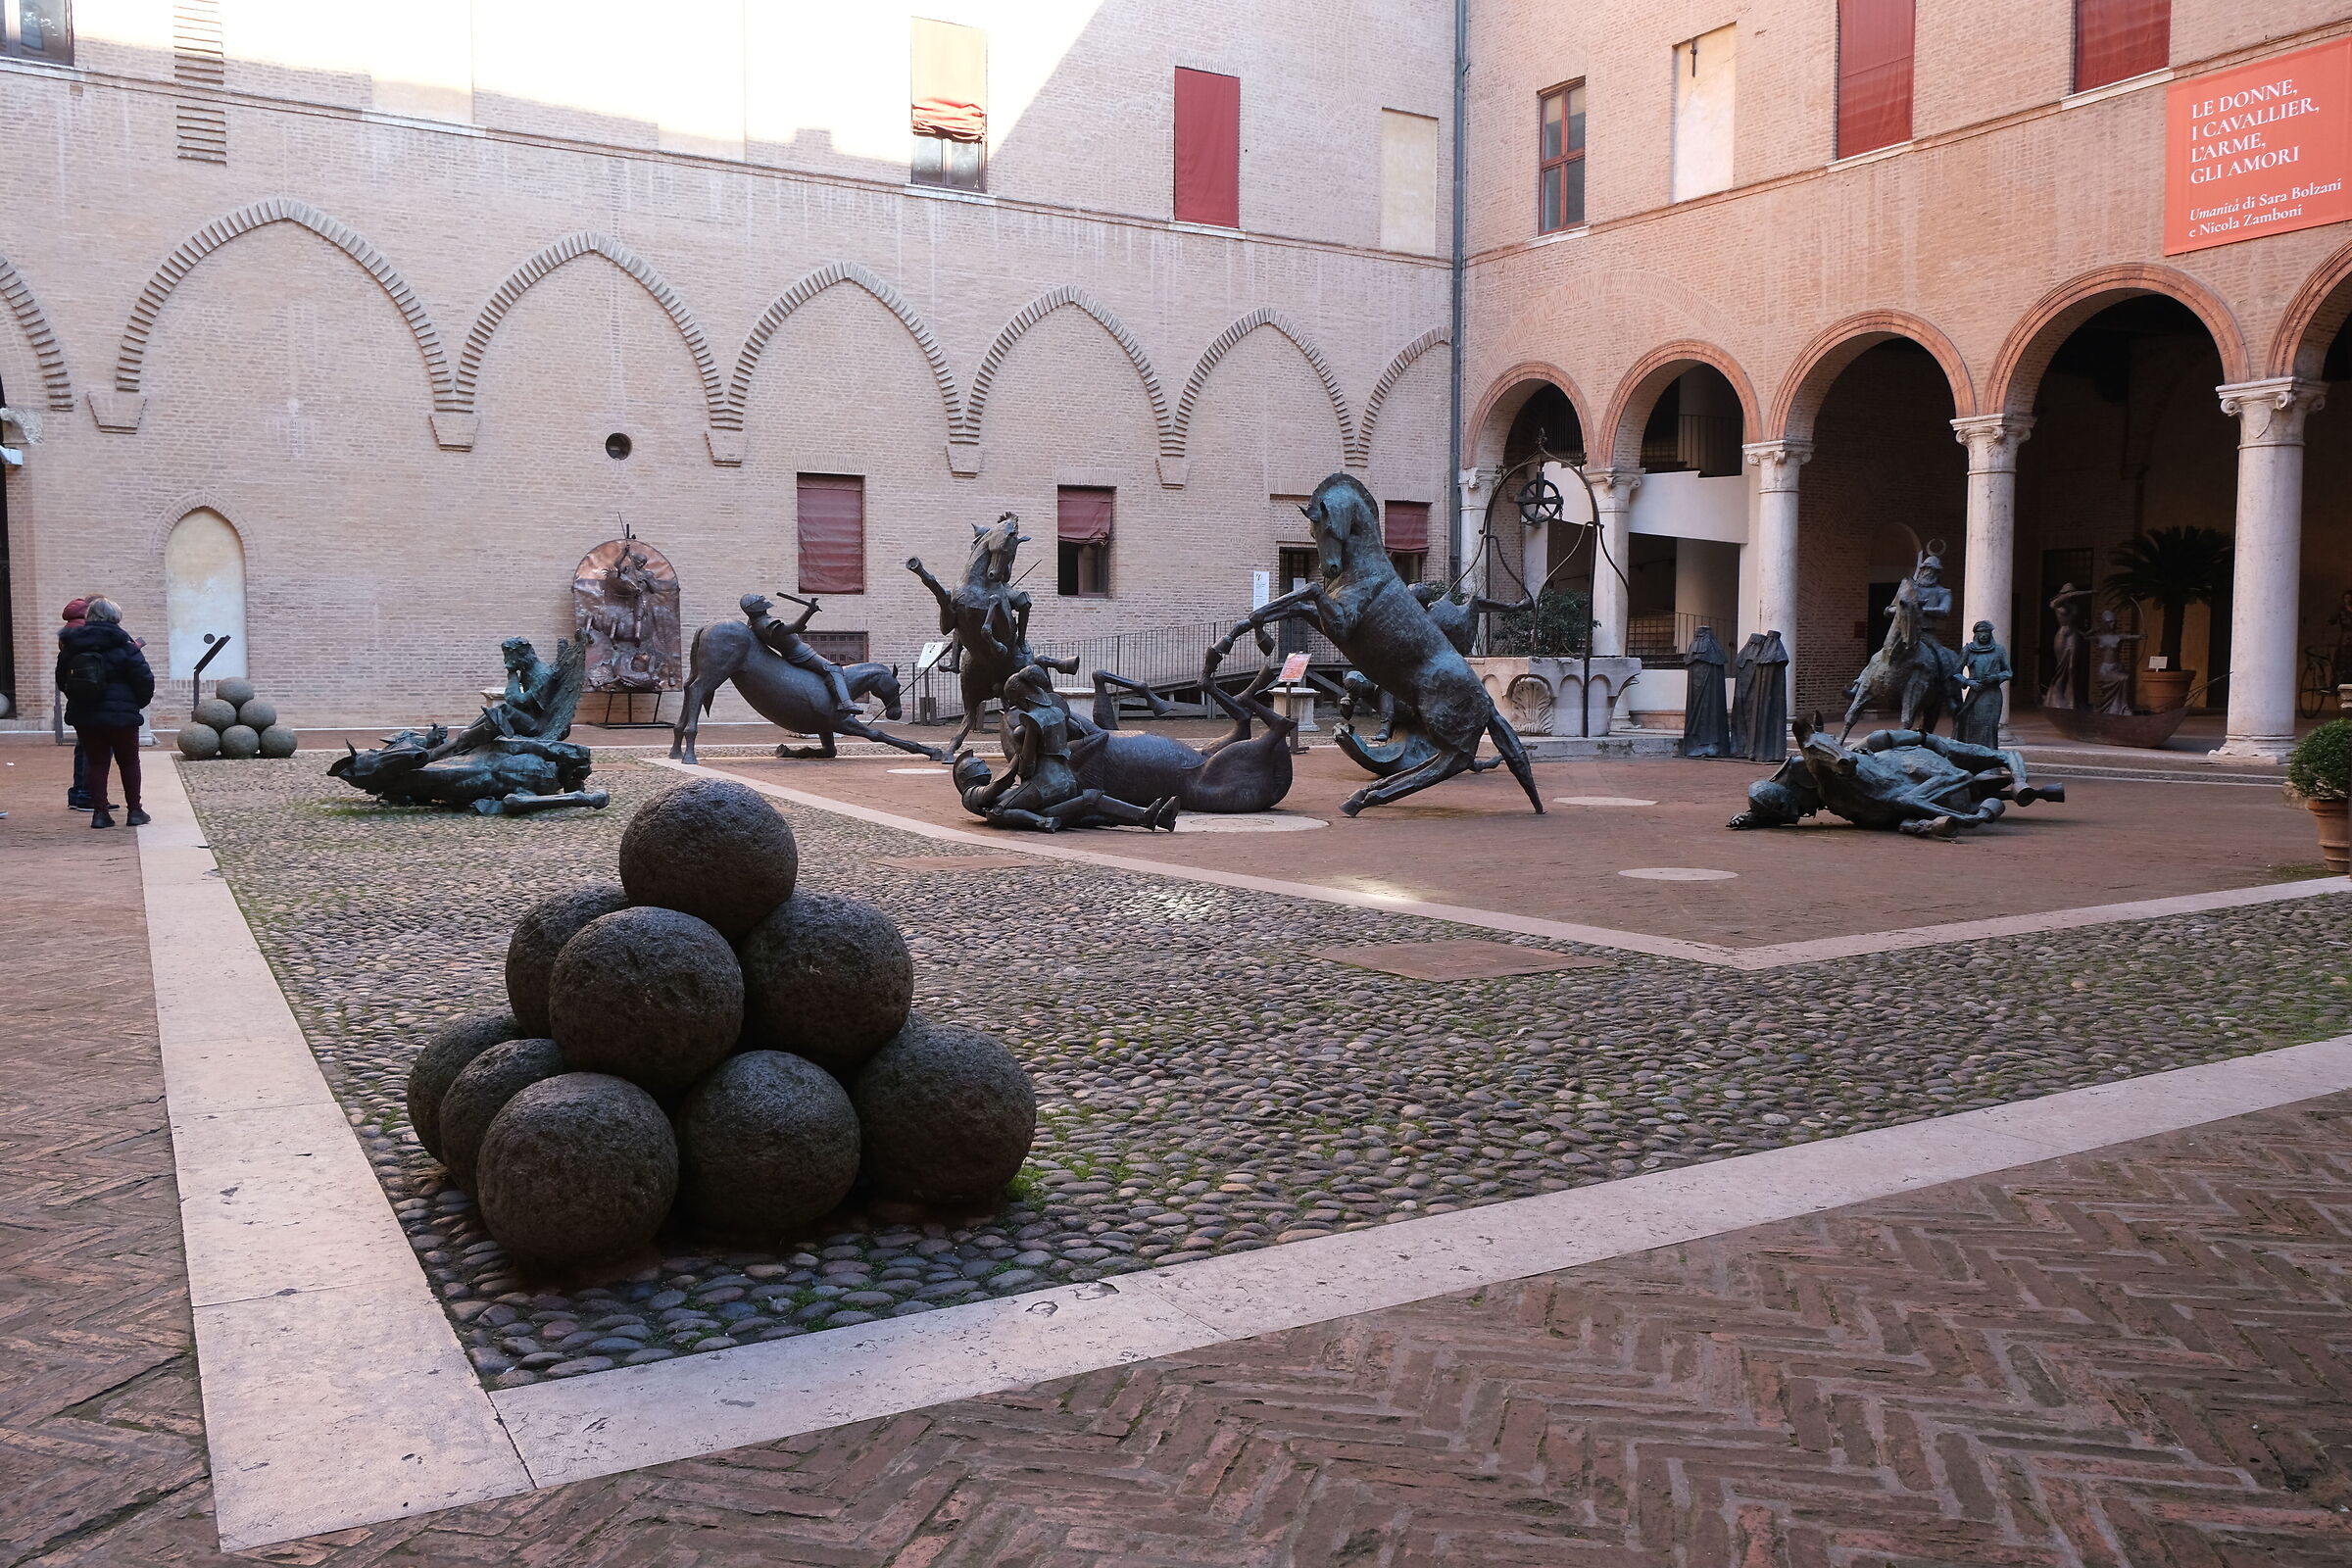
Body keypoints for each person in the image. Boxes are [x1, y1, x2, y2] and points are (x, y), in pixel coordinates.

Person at [56, 598, 154, 828]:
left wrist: (80, 700)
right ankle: (135, 811)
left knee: (96, 763)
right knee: (129, 762)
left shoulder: (72, 645)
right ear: (115, 618)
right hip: (122, 716)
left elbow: (62, 679)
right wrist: (135, 704)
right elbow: (144, 679)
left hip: (86, 714)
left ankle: (100, 814)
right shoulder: (125, 645)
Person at [743, 592, 860, 722]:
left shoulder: (754, 623)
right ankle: (845, 703)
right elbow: (796, 627)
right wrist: (809, 611)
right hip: (800, 653)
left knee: (823, 675)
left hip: (795, 652)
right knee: (834, 669)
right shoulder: (766, 624)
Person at [53, 596, 99, 810]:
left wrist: (71, 692)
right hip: (94, 697)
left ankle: (78, 793)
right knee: (95, 749)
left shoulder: (69, 632)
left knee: (84, 746)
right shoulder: (89, 631)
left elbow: (61, 674)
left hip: (78, 697)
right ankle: (87, 795)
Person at [1953, 620, 2013, 748]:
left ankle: (1990, 756)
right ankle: (1971, 754)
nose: (1984, 635)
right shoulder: (1968, 650)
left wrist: (1995, 677)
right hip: (1975, 693)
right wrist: (1969, 682)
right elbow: (1955, 673)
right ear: (1976, 634)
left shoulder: (1999, 650)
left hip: (1992, 695)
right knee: (1971, 724)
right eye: (1981, 632)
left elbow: (2008, 672)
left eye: (1987, 632)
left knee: (1989, 726)